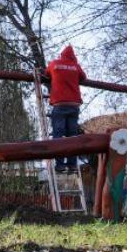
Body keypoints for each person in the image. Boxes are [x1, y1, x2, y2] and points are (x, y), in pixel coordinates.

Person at [45, 45, 86, 173]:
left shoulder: (54, 64)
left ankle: (60, 165)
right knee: (72, 135)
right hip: (74, 104)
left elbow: (46, 74)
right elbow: (83, 77)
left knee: (58, 134)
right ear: (73, 56)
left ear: (62, 55)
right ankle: (72, 165)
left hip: (59, 103)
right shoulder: (75, 66)